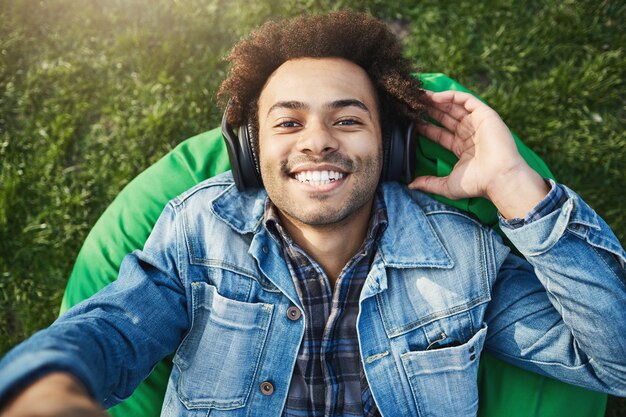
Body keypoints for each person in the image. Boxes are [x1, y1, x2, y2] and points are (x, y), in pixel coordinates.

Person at [0, 10, 625, 417]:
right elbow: (112, 329)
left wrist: (516, 186)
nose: (318, 141)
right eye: (289, 122)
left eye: (348, 120)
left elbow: (615, 363)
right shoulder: (199, 234)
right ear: (250, 150)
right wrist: (46, 391)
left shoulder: (466, 256)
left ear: (393, 146)